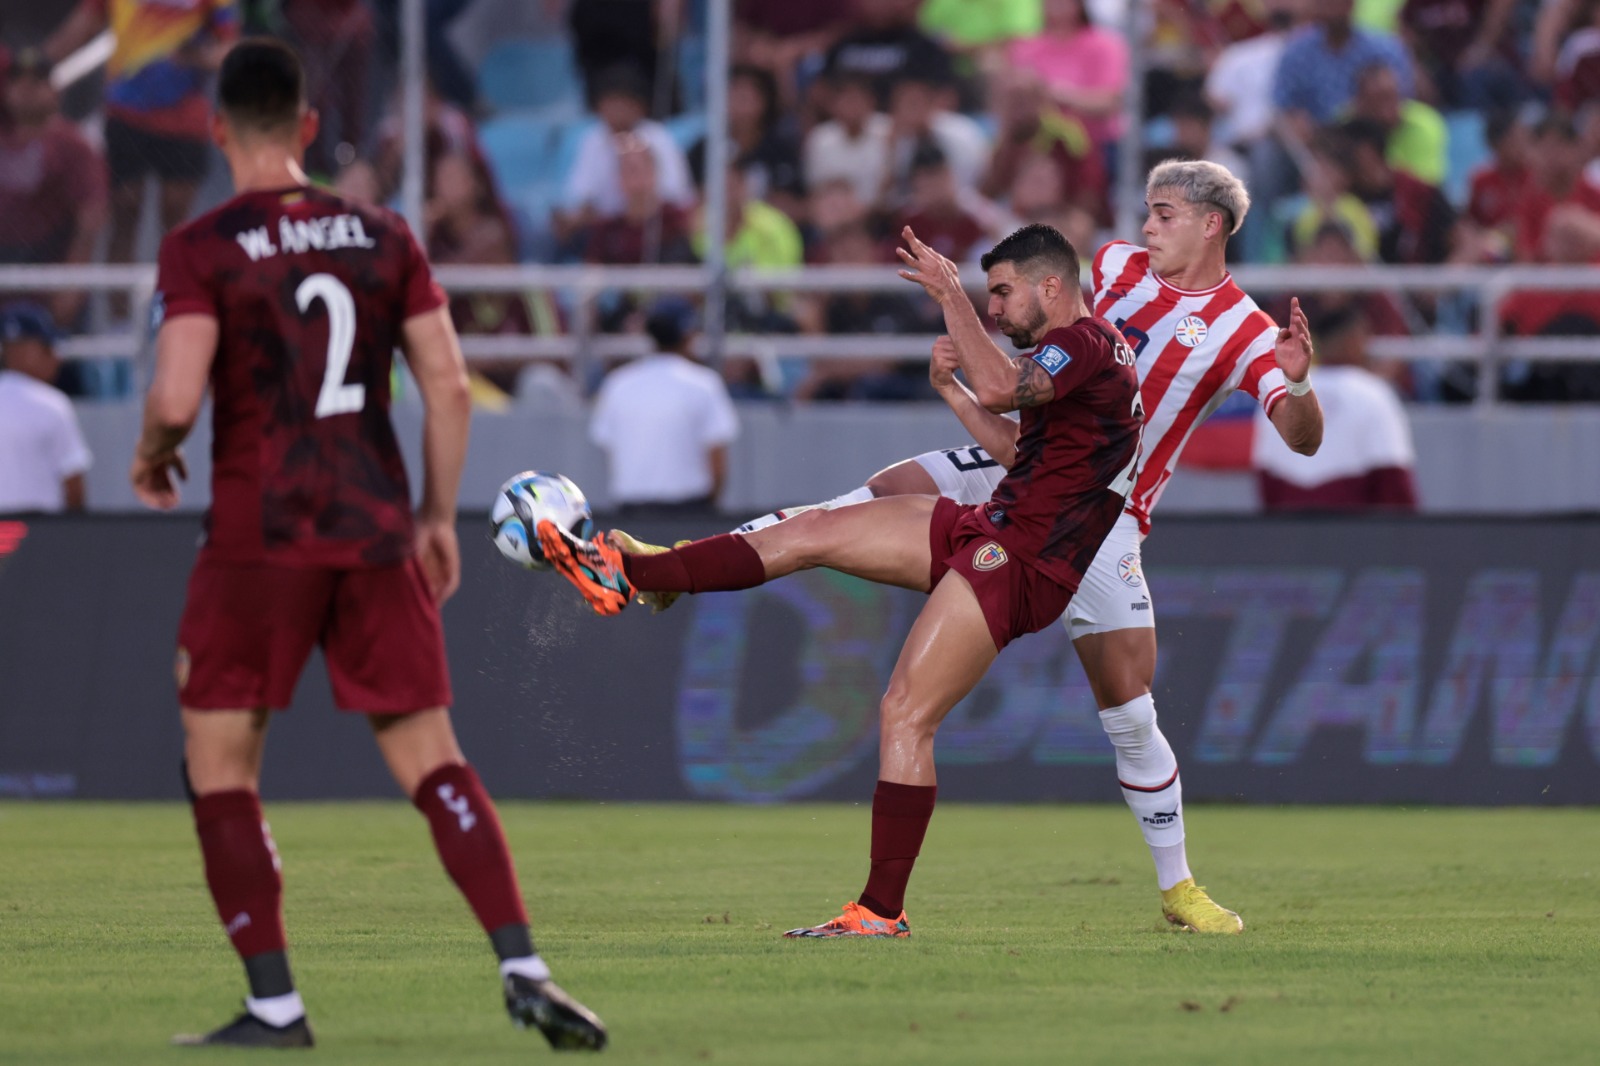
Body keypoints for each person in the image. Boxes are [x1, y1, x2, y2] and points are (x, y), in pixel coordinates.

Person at [129, 40, 604, 1050]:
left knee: (221, 764)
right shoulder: (386, 235)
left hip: (258, 537)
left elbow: (175, 394)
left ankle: (275, 1004)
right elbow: (443, 383)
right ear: (306, 128)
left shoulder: (203, 244)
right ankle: (523, 964)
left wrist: (156, 448)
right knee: (433, 760)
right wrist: (436, 514)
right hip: (376, 528)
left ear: (218, 131)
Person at [704, 161, 1325, 933]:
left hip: (1104, 515)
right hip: (1019, 461)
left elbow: (1301, 443)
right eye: (1147, 211)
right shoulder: (1113, 266)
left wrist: (1298, 386)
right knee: (880, 490)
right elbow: (1053, 339)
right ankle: (693, 563)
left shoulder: (1245, 330)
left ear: (1212, 224)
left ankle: (1179, 887)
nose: (1147, 227)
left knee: (1129, 709)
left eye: (1164, 214)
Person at [540, 222, 1145, 939]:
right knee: (814, 530)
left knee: (904, 713)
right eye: (986, 295)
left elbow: (1001, 385)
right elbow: (1023, 451)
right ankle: (634, 572)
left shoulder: (1085, 343)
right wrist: (952, 393)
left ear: (1053, 286)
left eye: (1003, 293)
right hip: (994, 525)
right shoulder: (1085, 358)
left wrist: (949, 295)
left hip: (1023, 561)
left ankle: (880, 910)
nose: (995, 310)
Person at [45, 0, 239, 317]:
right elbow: (80, 26)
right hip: (125, 114)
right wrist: (38, 66)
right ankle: (122, 331)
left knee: (177, 225)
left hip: (184, 119)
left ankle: (174, 319)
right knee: (124, 215)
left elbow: (229, 47)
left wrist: (196, 55)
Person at [1253, 305, 1418, 509]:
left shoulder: (1279, 393)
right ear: (1354, 340)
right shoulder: (1374, 394)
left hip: (1291, 529)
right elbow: (1394, 484)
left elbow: (1267, 482)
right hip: (1355, 531)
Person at [590, 300, 740, 515]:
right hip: (690, 515)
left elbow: (610, 453)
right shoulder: (705, 383)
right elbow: (718, 465)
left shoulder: (617, 383)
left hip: (630, 517)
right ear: (688, 336)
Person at [0, 48, 108, 328]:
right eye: (18, 81)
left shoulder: (73, 146)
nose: (26, 89)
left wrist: (71, 281)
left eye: (37, 82)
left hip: (49, 268)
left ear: (54, 91)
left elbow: (91, 218)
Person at [0, 303, 91, 514]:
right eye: (48, 348)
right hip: (42, 536)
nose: (56, 359)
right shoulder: (52, 404)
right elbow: (74, 487)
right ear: (25, 350)